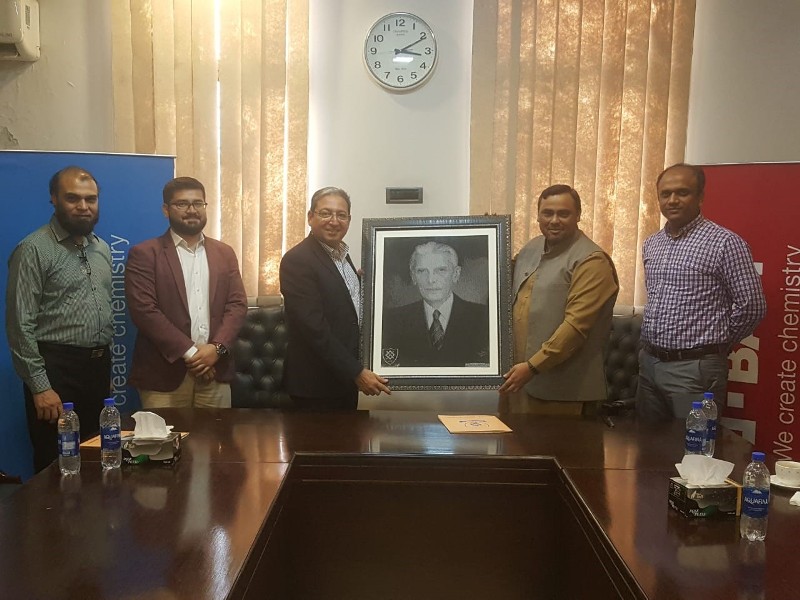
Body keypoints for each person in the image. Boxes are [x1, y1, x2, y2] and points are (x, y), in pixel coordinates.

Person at [636, 163, 766, 422]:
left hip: (694, 368)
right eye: (665, 194)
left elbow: (752, 306)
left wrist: (716, 344)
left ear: (700, 197)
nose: (672, 200)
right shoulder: (652, 243)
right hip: (649, 363)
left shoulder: (725, 243)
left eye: (682, 192)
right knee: (647, 443)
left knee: (693, 443)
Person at [5, 166, 113, 472]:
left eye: (90, 199)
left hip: (96, 368)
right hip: (55, 370)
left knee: (97, 459)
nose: (83, 206)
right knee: (55, 464)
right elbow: (20, 325)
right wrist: (40, 387)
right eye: (72, 198)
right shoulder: (33, 249)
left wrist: (103, 371)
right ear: (54, 199)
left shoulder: (101, 248)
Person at [125, 177, 247, 408]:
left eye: (198, 203)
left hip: (216, 371)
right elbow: (144, 311)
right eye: (182, 204)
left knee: (217, 433)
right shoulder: (145, 254)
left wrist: (216, 349)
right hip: (164, 375)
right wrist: (193, 354)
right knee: (166, 434)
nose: (192, 210)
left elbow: (237, 305)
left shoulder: (225, 253)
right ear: (166, 210)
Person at [499, 184, 619, 415]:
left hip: (563, 392)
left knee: (558, 441)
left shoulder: (592, 261)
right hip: (518, 383)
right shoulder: (532, 248)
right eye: (548, 213)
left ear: (578, 215)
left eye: (563, 214)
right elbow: (501, 281)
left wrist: (532, 367)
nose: (554, 220)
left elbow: (575, 327)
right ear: (538, 216)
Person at [280, 186, 390, 410]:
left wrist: (365, 285)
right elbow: (314, 329)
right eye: (325, 213)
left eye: (341, 215)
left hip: (342, 380)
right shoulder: (297, 260)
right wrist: (356, 372)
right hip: (315, 386)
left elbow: (341, 306)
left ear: (349, 220)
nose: (334, 221)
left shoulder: (342, 255)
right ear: (310, 217)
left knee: (350, 434)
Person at [381, 241, 490, 367]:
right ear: (413, 276)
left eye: (441, 270)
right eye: (422, 271)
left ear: (456, 274)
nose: (431, 280)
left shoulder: (485, 317)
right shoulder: (392, 320)